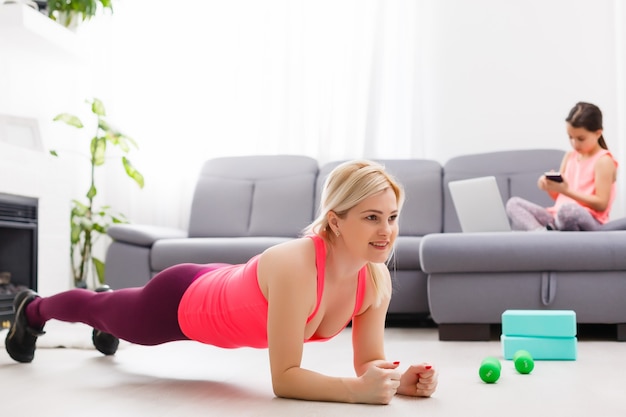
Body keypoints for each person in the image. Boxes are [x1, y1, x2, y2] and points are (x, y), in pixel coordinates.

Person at [5, 159, 438, 405]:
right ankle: (32, 308)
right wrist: (355, 394)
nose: (387, 231)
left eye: (392, 217)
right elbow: (284, 379)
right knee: (107, 312)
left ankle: (110, 308)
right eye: (371, 217)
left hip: (226, 284)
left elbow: (369, 363)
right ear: (335, 222)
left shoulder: (374, 279)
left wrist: (397, 380)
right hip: (181, 302)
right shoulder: (297, 265)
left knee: (113, 310)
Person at [506, 102, 618, 231]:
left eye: (581, 139)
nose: (574, 143)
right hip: (557, 217)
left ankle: (551, 233)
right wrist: (550, 186)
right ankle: (542, 234)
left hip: (587, 218)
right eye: (570, 137)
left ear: (598, 133)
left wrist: (566, 191)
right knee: (513, 204)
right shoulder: (570, 156)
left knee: (567, 211)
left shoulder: (603, 160)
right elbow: (558, 196)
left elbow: (601, 204)